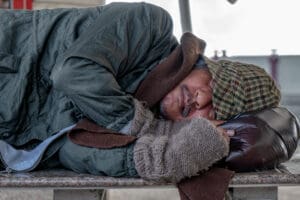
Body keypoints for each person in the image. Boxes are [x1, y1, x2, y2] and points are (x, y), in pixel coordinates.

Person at [0, 2, 280, 182]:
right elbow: (73, 74)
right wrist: (147, 129)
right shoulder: (151, 27)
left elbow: (72, 149)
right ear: (205, 65)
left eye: (214, 112)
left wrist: (167, 159)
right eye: (214, 86)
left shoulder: (149, 122)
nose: (201, 100)